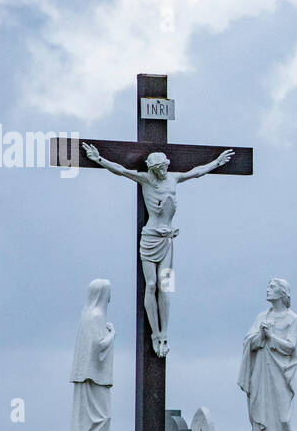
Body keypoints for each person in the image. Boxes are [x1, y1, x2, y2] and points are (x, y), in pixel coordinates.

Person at [80, 142, 233, 357]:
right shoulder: (146, 180)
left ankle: (164, 333)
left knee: (166, 286)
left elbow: (196, 173)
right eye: (160, 167)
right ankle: (154, 333)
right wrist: (98, 159)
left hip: (169, 240)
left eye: (165, 166)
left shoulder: (174, 178)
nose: (164, 170)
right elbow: (122, 171)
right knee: (151, 284)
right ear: (153, 168)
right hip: (150, 238)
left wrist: (216, 162)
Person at [237, 278, 297, 431]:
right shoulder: (261, 317)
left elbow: (290, 346)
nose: (268, 289)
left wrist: (270, 336)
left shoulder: (293, 319)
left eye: (272, 287)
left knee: (281, 420)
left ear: (283, 293)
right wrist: (260, 335)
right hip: (261, 374)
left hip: (279, 375)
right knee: (261, 419)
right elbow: (249, 341)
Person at [61, 279, 117, 431]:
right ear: (103, 294)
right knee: (101, 419)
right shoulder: (96, 316)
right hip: (94, 377)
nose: (110, 298)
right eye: (109, 292)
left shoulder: (87, 315)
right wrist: (113, 334)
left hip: (92, 378)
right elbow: (99, 347)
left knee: (94, 422)